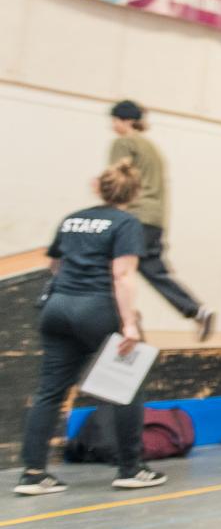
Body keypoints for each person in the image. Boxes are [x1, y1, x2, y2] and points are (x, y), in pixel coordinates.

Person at [14, 161, 169, 495]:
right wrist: (129, 324)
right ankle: (130, 468)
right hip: (96, 308)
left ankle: (33, 473)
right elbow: (123, 275)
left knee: (50, 391)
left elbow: (55, 262)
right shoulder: (126, 223)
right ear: (135, 193)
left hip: (57, 307)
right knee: (126, 386)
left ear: (98, 187)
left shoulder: (72, 218)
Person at [107, 100, 215, 340]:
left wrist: (108, 207)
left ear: (125, 121)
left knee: (110, 269)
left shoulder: (124, 143)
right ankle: (196, 310)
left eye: (114, 120)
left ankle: (121, 326)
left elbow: (117, 178)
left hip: (132, 216)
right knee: (152, 269)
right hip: (155, 218)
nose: (112, 126)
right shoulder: (152, 149)